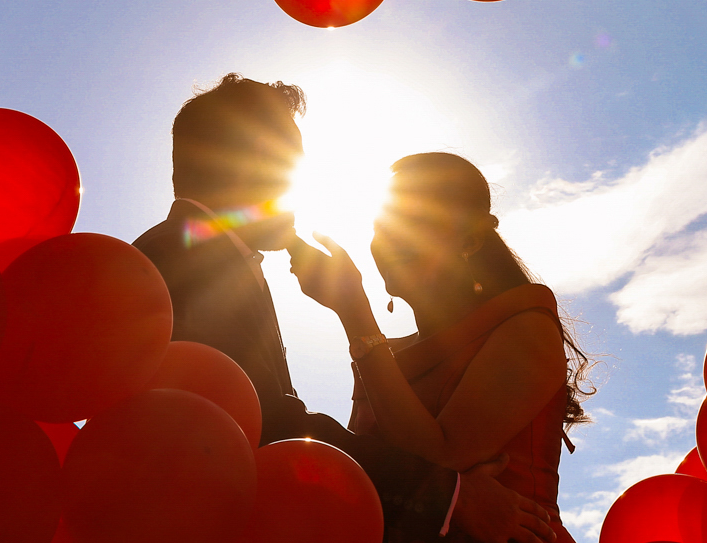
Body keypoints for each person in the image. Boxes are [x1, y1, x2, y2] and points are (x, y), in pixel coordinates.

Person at [133, 74, 558, 543]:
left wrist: (353, 311)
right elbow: (260, 423)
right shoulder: (186, 260)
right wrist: (452, 495)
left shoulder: (206, 260)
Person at [288, 152, 590, 543]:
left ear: (470, 238)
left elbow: (434, 460)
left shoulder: (525, 324)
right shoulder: (385, 354)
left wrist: (353, 311)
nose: (390, 241)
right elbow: (375, 474)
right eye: (383, 226)